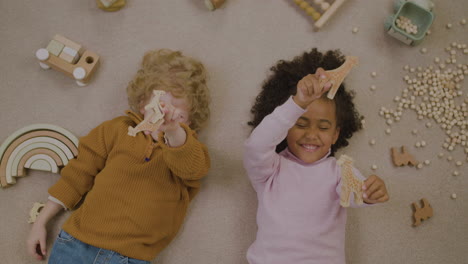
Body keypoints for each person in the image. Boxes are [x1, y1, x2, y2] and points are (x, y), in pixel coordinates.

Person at [27, 49, 211, 263]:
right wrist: (41, 222)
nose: (165, 117)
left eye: (177, 113)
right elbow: (77, 174)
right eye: (159, 108)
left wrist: (173, 131)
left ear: (190, 121)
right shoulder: (117, 129)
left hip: (131, 257)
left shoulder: (190, 150)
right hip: (76, 243)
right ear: (143, 107)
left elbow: (193, 169)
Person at [244, 48, 389, 264]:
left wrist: (368, 192)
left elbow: (354, 190)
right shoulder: (271, 169)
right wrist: (297, 103)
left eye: (323, 127)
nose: (311, 135)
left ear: (335, 134)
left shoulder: (338, 171)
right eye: (301, 124)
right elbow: (256, 146)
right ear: (286, 127)